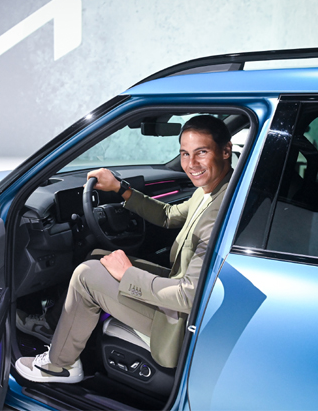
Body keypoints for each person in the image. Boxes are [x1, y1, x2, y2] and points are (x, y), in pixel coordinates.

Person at [15, 115, 233, 383]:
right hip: (179, 294)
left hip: (179, 322)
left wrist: (128, 274)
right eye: (185, 154)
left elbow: (188, 296)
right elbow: (168, 215)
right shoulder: (214, 189)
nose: (191, 164)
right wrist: (121, 189)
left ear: (226, 151)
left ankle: (60, 365)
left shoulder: (221, 212)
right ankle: (53, 326)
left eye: (202, 152)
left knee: (85, 276)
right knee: (98, 258)